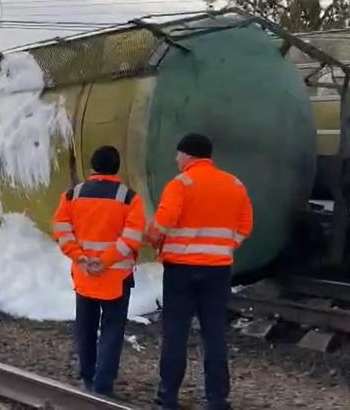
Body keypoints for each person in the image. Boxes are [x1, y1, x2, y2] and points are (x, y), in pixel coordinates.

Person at [145, 133, 253, 410]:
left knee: (176, 333)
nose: (175, 159)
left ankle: (168, 396)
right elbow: (245, 225)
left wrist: (154, 239)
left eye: (178, 154)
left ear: (188, 155)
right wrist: (225, 247)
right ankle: (217, 399)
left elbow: (162, 223)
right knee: (214, 333)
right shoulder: (234, 184)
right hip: (217, 270)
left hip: (181, 269)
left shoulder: (181, 184)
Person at [52, 146, 145, 397]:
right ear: (117, 168)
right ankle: (104, 385)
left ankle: (87, 378)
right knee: (112, 330)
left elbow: (61, 229)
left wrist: (80, 257)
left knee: (85, 326)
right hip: (117, 277)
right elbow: (132, 238)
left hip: (84, 275)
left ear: (93, 167)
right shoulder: (129, 198)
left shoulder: (73, 195)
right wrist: (106, 260)